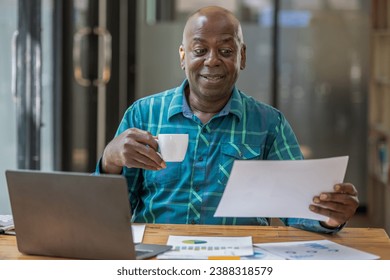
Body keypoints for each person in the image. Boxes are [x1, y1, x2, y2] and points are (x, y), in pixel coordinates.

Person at [95, 6, 359, 233]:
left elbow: (299, 208)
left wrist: (328, 216)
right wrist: (109, 159)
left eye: (225, 50)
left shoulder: (270, 124)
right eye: (199, 50)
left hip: (241, 261)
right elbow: (109, 212)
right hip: (157, 258)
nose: (212, 61)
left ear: (241, 57)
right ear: (183, 57)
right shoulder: (143, 115)